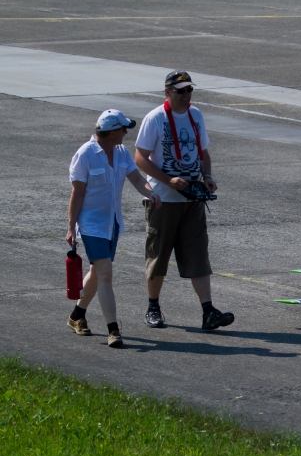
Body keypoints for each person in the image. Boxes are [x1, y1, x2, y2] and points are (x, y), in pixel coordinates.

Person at [134, 70, 234, 331]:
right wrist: (168, 181)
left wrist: (208, 176)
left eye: (190, 90)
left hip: (192, 199)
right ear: (167, 92)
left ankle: (208, 311)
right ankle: (153, 307)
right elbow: (140, 158)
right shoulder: (155, 118)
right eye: (181, 91)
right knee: (158, 257)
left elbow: (203, 152)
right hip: (163, 200)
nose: (187, 95)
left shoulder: (195, 115)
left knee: (198, 257)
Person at [66, 109, 162, 347]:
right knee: (106, 273)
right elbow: (76, 193)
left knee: (98, 273)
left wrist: (151, 194)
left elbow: (137, 180)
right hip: (90, 225)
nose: (126, 133)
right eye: (123, 129)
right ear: (111, 133)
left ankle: (77, 316)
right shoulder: (85, 155)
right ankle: (113, 330)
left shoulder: (121, 153)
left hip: (112, 224)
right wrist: (71, 227)